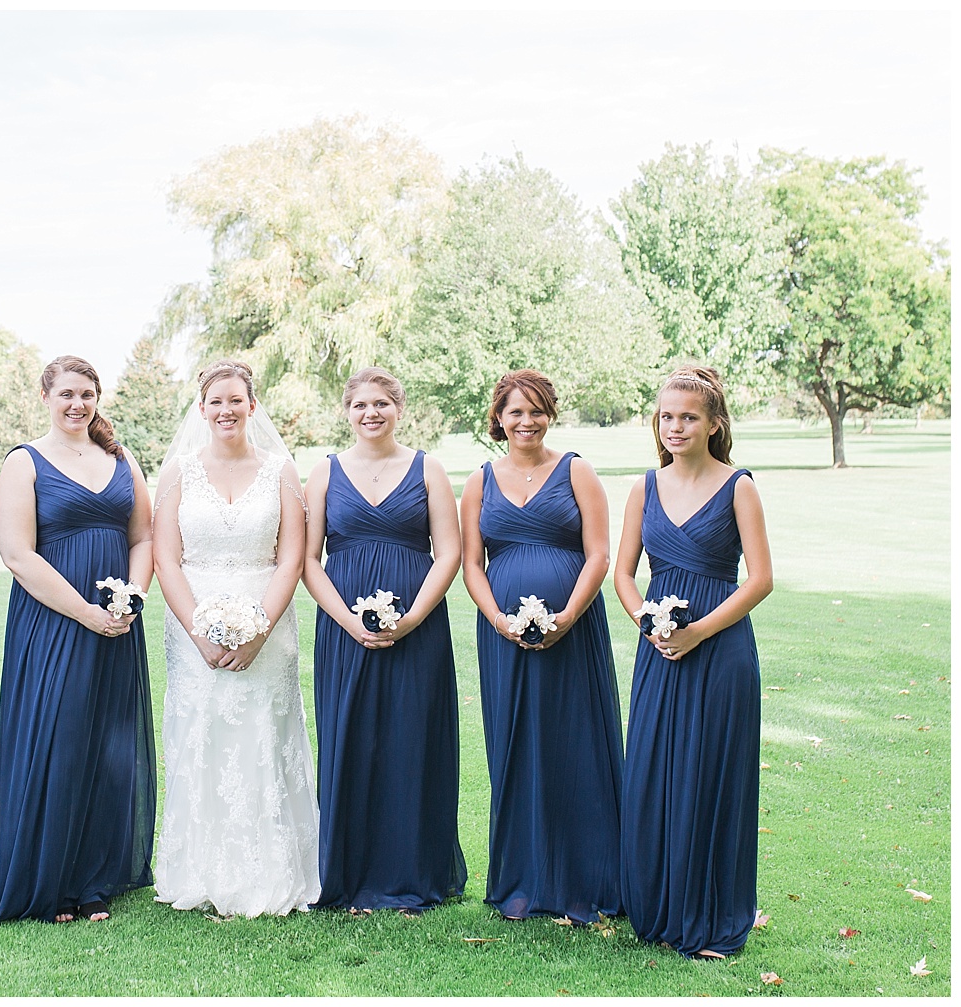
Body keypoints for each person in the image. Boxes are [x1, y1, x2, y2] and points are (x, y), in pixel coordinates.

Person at [0, 355, 156, 924]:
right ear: (45, 396)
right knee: (57, 738)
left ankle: (93, 879)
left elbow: (144, 536)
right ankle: (48, 881)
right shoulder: (23, 463)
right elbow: (17, 555)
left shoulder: (119, 457)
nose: (78, 404)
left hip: (117, 624)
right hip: (54, 621)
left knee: (109, 746)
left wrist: (131, 597)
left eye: (88, 394)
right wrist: (84, 611)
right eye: (67, 394)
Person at [614, 365, 772, 958]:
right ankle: (657, 906)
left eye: (688, 417)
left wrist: (699, 631)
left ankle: (712, 913)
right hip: (659, 649)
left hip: (721, 647)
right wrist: (649, 624)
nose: (674, 427)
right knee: (653, 770)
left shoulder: (739, 487)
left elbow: (760, 579)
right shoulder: (643, 488)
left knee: (712, 770)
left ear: (713, 424)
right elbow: (623, 575)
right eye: (666, 416)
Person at [152, 360, 319, 918]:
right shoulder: (178, 472)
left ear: (252, 405)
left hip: (265, 619)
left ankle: (271, 871)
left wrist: (259, 629)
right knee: (202, 736)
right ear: (201, 409)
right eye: (215, 401)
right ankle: (199, 871)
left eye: (235, 400)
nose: (225, 410)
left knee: (262, 737)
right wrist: (199, 630)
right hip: (192, 622)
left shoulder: (281, 471)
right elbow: (166, 558)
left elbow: (291, 557)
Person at [458, 369, 623, 924]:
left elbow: (598, 554)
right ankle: (522, 879)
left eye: (536, 411)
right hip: (502, 636)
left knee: (575, 741)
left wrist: (568, 615)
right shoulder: (481, 481)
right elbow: (470, 565)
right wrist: (499, 619)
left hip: (573, 633)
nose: (526, 421)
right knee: (515, 743)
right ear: (498, 420)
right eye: (514, 412)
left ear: (550, 413)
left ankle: (590, 879)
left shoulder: (576, 470)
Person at [303, 367, 466, 915]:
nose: (371, 413)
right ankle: (348, 874)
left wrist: (415, 617)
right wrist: (349, 621)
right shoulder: (325, 473)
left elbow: (449, 553)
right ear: (346, 412)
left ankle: (411, 871)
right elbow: (308, 561)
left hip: (418, 628)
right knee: (350, 738)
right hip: (343, 628)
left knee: (410, 739)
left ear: (400, 408)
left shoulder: (428, 470)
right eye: (360, 405)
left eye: (382, 403)